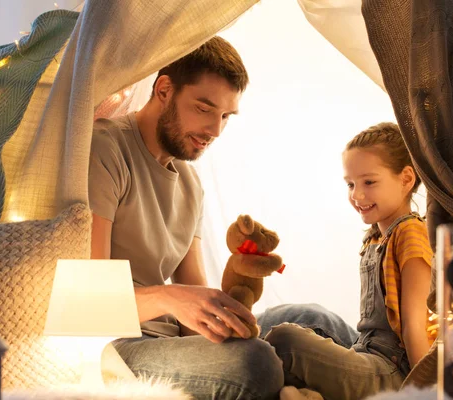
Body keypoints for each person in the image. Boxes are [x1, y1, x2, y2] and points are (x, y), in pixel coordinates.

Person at [88, 36, 283, 400]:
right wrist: (171, 299)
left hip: (173, 343)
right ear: (164, 89)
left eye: (226, 116)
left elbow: (193, 296)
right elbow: (90, 296)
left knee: (300, 324)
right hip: (122, 346)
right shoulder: (106, 150)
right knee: (256, 364)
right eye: (204, 109)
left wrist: (227, 310)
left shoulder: (191, 184)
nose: (215, 130)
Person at [263, 122, 435, 399]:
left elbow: (416, 324)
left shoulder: (411, 234)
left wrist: (424, 392)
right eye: (350, 184)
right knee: (303, 330)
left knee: (285, 340)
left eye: (369, 182)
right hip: (364, 353)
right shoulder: (375, 238)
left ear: (406, 179)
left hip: (393, 372)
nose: (357, 195)